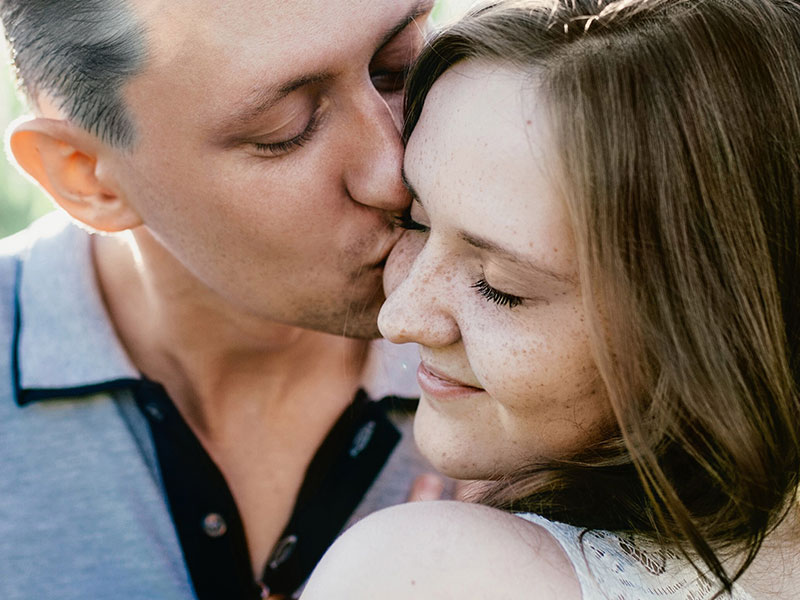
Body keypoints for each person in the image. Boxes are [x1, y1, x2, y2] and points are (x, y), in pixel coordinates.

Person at [300, 0, 800, 598]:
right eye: (414, 221)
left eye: (501, 285)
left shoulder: (432, 572)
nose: (398, 317)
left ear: (717, 321)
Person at [0, 1, 451, 599]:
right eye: (285, 129)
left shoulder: (570, 343)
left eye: (395, 68)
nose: (394, 173)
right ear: (87, 175)